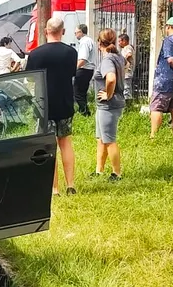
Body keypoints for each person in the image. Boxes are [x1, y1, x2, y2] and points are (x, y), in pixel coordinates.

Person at [26, 17, 79, 196]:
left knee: (49, 146)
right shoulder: (71, 53)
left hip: (43, 105)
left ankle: (54, 188)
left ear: (46, 31)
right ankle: (70, 184)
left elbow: (30, 78)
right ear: (62, 31)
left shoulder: (35, 54)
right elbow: (72, 73)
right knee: (65, 142)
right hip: (64, 102)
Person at [92, 28, 126, 181]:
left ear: (100, 43)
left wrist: (108, 94)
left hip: (109, 105)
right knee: (101, 138)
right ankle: (99, 170)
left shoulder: (107, 60)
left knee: (109, 140)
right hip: (109, 105)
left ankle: (116, 173)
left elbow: (111, 78)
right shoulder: (118, 56)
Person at [74, 24, 97, 116]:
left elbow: (83, 59)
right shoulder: (90, 40)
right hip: (89, 70)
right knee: (83, 92)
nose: (75, 35)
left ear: (80, 32)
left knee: (77, 93)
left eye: (76, 32)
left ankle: (84, 112)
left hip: (84, 69)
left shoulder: (84, 42)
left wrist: (74, 69)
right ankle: (85, 111)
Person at [118, 34, 134, 101]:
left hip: (127, 72)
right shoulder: (126, 48)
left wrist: (123, 61)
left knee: (126, 89)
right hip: (125, 72)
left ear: (124, 41)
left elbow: (129, 54)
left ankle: (128, 106)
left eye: (119, 41)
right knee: (125, 89)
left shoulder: (127, 47)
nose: (118, 43)